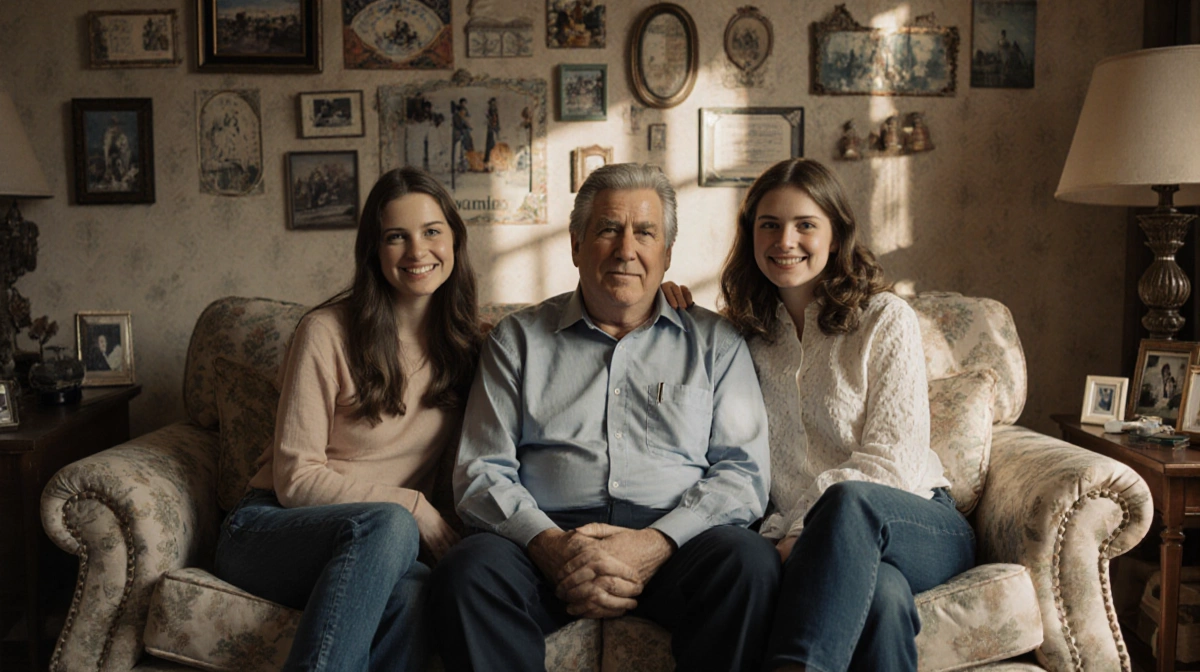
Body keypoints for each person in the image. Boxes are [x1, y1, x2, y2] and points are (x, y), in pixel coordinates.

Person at [429, 163, 779, 671]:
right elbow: (482, 470)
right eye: (609, 229)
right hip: (545, 542)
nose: (626, 249)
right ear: (575, 244)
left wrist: (655, 544)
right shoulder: (517, 341)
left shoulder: (715, 343)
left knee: (749, 564)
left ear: (667, 253)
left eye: (645, 233)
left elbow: (743, 474)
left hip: (677, 542)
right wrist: (552, 548)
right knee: (466, 572)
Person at [666, 158, 974, 672]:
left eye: (805, 224)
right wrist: (667, 308)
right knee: (884, 600)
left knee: (849, 501)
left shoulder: (884, 318)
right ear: (751, 237)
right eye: (770, 225)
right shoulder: (741, 335)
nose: (785, 240)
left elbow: (893, 461)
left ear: (835, 236)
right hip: (817, 547)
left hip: (912, 521)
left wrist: (798, 532)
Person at [213, 167, 481, 672]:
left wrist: (661, 297)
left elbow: (553, 334)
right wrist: (415, 508)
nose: (417, 251)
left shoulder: (467, 346)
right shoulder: (325, 332)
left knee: (418, 589)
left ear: (454, 239)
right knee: (393, 526)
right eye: (395, 237)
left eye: (431, 232)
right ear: (375, 252)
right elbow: (295, 479)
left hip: (381, 546)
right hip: (267, 530)